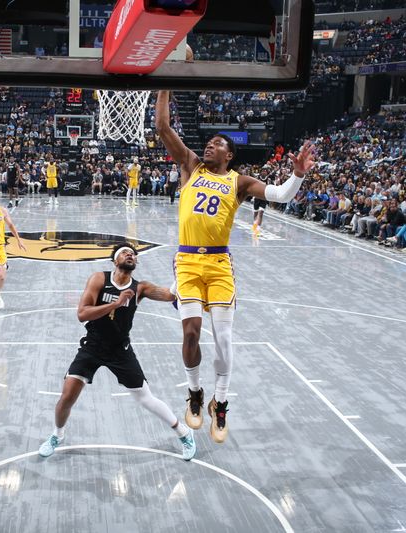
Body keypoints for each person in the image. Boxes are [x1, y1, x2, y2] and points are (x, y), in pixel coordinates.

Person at [156, 90, 315, 443]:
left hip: (218, 263)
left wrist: (298, 176)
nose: (209, 147)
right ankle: (195, 392)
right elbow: (163, 126)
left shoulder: (239, 182)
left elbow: (280, 195)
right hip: (187, 260)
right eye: (208, 143)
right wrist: (164, 85)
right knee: (192, 332)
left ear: (230, 154)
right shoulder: (191, 166)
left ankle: (220, 401)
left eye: (216, 144)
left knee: (224, 339)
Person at [38, 244, 196, 460]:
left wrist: (181, 274)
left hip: (120, 350)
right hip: (92, 347)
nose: (130, 255)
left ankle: (185, 433)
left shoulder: (140, 288)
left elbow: (170, 295)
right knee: (67, 397)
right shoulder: (99, 279)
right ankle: (57, 435)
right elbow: (82, 314)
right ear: (115, 260)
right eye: (125, 252)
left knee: (146, 398)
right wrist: (117, 303)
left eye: (133, 254)